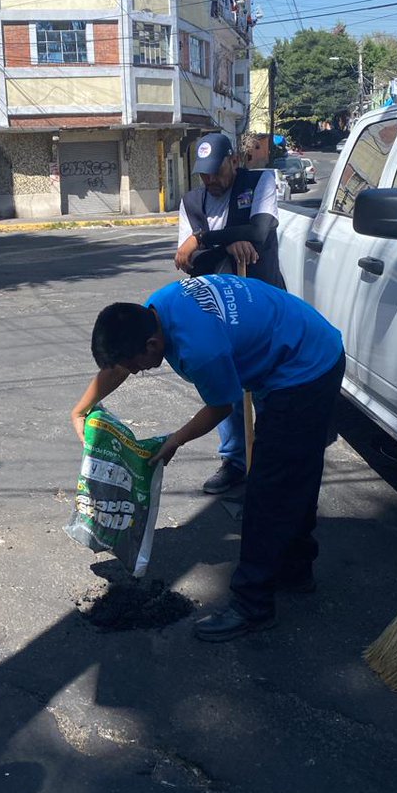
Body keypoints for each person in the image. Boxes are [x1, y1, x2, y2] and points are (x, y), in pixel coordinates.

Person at [70, 275, 345, 642]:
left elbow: (220, 406)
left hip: (305, 370)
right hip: (303, 344)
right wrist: (81, 409)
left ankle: (253, 606)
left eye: (136, 366)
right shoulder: (158, 308)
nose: (135, 373)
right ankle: (295, 569)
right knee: (294, 473)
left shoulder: (200, 350)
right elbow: (117, 367)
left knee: (267, 491)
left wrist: (175, 441)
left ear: (152, 345)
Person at [174, 131, 285, 496]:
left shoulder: (261, 181)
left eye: (216, 171)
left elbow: (260, 230)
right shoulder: (191, 202)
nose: (210, 180)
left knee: (269, 386)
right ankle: (236, 461)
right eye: (203, 174)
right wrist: (228, 240)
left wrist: (205, 238)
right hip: (219, 314)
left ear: (233, 162)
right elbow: (186, 262)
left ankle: (269, 460)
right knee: (229, 388)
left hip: (264, 303)